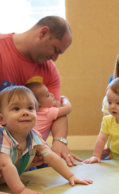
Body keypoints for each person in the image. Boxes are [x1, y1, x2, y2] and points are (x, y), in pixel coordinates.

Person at [0, 16, 81, 166]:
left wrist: (59, 140)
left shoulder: (49, 71)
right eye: (55, 50)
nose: (55, 58)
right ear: (43, 33)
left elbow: (56, 110)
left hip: (28, 148)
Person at [0, 86, 93, 194]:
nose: (25, 112)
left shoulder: (33, 136)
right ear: (2, 119)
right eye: (16, 109)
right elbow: (5, 165)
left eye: (30, 108)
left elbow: (51, 157)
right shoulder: (3, 137)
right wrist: (21, 190)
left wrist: (71, 176)